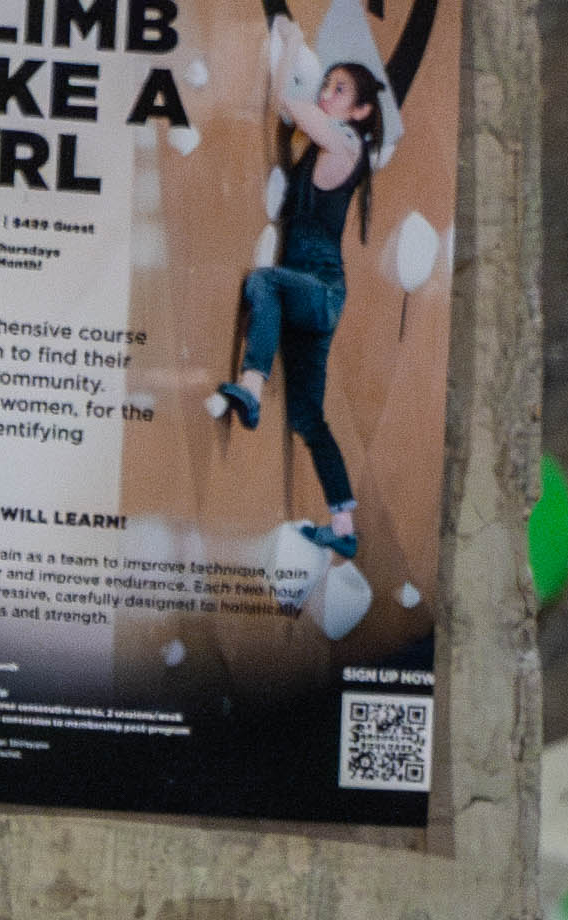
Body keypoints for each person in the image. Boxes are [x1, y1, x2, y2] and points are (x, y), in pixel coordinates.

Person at [206, 0, 438, 565]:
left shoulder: (345, 144)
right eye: (328, 85)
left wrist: (286, 42)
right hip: (313, 291)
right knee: (311, 417)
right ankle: (343, 525)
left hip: (316, 291)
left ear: (357, 113)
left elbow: (289, 104)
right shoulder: (335, 142)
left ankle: (253, 389)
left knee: (262, 283)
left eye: (337, 89)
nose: (327, 93)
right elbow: (296, 116)